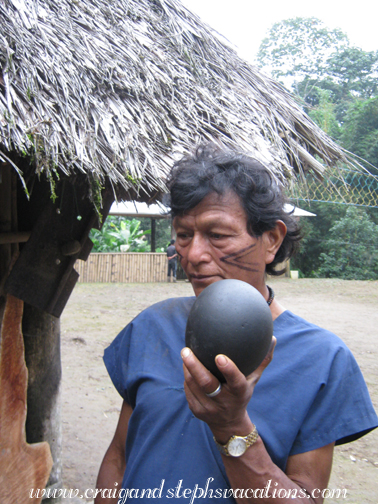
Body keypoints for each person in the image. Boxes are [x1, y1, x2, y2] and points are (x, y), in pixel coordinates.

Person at [95, 144, 378, 504]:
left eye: (218, 235)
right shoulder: (153, 326)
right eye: (183, 235)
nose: (194, 255)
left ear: (271, 240)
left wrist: (232, 428)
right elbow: (119, 458)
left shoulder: (323, 360)